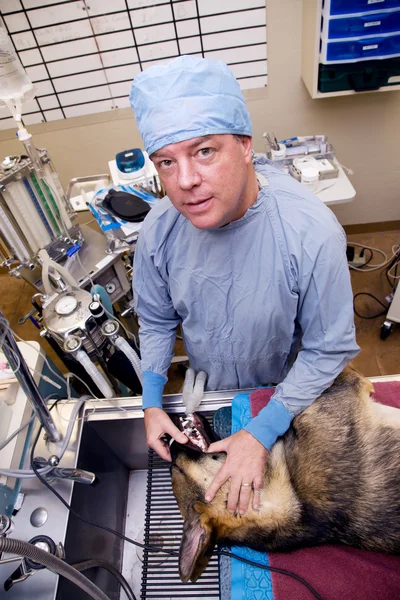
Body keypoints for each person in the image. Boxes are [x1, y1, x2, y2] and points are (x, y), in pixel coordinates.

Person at [129, 55, 359, 516]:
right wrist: (151, 401)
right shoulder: (160, 229)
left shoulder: (310, 234)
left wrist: (262, 428)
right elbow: (155, 318)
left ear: (245, 145)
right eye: (167, 163)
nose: (186, 181)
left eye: (204, 151)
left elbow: (327, 349)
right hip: (215, 388)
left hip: (291, 396)